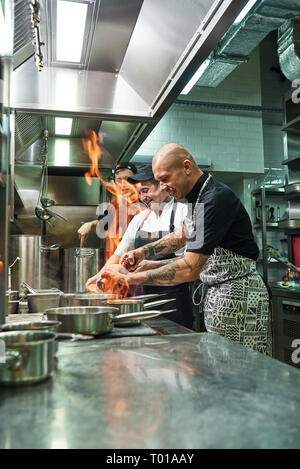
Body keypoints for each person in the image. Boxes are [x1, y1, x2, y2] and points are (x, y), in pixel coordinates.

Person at [99, 143, 271, 353]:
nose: (162, 187)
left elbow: (190, 268)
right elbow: (182, 235)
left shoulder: (214, 199)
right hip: (220, 294)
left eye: (165, 179)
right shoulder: (198, 197)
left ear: (187, 167)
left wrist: (130, 278)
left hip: (240, 297)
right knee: (220, 366)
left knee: (241, 367)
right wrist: (143, 253)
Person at [86, 164, 194, 329]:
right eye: (141, 192)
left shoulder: (184, 213)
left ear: (164, 186)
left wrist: (152, 265)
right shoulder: (140, 219)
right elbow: (119, 253)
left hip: (173, 301)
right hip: (141, 301)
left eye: (146, 190)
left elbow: (189, 262)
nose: (143, 197)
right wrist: (101, 274)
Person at [77, 162, 139, 259]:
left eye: (127, 179)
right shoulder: (115, 203)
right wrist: (90, 224)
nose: (123, 183)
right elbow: (105, 221)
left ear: (135, 180)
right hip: (114, 260)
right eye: (119, 179)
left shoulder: (144, 202)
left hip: (135, 262)